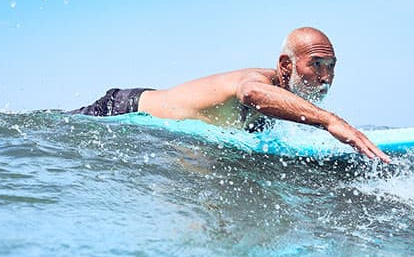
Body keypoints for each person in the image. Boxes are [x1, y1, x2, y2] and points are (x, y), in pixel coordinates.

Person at [70, 27, 391, 163]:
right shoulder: (257, 81)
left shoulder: (281, 100)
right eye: (316, 64)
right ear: (286, 65)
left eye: (331, 66)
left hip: (149, 127)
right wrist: (331, 122)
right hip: (118, 111)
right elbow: (250, 93)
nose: (325, 77)